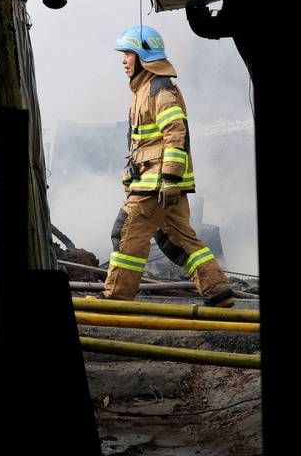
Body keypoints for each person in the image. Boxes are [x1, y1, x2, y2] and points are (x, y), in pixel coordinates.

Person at [101, 25, 235, 307]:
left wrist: (171, 179)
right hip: (155, 182)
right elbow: (144, 144)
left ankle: (116, 299)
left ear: (143, 55)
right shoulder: (143, 89)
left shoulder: (158, 89)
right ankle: (219, 292)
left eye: (127, 53)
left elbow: (176, 133)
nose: (123, 60)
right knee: (177, 240)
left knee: (125, 231)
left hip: (158, 183)